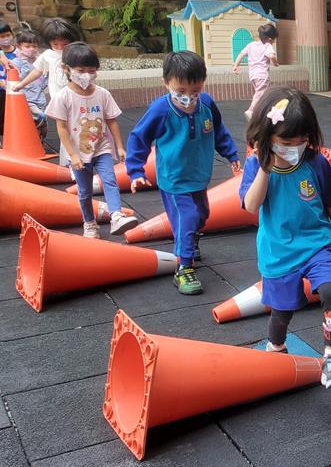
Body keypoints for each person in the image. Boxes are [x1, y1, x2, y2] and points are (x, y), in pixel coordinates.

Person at [240, 90, 331, 389]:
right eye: (286, 142)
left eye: (301, 140)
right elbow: (251, 206)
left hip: (317, 244)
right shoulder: (256, 165)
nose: (294, 148)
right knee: (282, 311)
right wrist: (265, 167)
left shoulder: (315, 162)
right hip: (279, 252)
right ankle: (276, 347)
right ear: (266, 136)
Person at [125, 51, 241, 295]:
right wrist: (135, 170)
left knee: (202, 215)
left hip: (198, 176)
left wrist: (231, 154)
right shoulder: (161, 109)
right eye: (181, 91)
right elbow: (139, 138)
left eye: (195, 90)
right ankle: (184, 267)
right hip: (174, 179)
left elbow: (219, 130)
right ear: (166, 83)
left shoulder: (206, 104)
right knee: (187, 217)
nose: (188, 96)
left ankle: (189, 239)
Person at [45, 42, 137, 238]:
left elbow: (112, 121)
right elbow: (61, 128)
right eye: (81, 70)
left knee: (110, 181)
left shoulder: (102, 94)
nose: (87, 75)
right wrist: (72, 155)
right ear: (66, 69)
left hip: (101, 147)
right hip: (78, 152)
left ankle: (116, 215)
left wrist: (120, 147)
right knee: (85, 191)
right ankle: (89, 222)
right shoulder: (63, 97)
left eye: (92, 70)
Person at [11, 18, 83, 162]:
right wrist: (22, 84)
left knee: (78, 126)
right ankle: (68, 160)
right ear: (49, 42)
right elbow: (37, 71)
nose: (60, 47)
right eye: (55, 44)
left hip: (77, 97)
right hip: (59, 99)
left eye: (64, 43)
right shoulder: (48, 55)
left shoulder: (76, 53)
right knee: (65, 128)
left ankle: (79, 157)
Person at [232, 23, 279, 119]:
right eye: (274, 40)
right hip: (262, 75)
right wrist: (275, 63)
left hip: (253, 75)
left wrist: (236, 65)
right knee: (260, 93)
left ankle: (266, 111)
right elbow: (271, 56)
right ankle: (251, 110)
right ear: (270, 39)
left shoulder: (251, 45)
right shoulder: (267, 46)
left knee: (263, 94)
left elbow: (241, 54)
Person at [10, 31, 49, 139]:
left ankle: (40, 141)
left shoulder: (41, 61)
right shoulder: (17, 62)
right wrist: (25, 64)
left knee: (42, 125)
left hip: (40, 99)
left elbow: (44, 80)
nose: (31, 49)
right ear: (19, 47)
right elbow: (16, 79)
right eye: (27, 46)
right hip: (27, 99)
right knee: (40, 117)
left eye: (34, 46)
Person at [0, 21, 18, 141]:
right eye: (2, 36)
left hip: (15, 90)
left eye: (7, 35)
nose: (6, 38)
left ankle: (11, 138)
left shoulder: (18, 52)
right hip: (1, 90)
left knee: (13, 115)